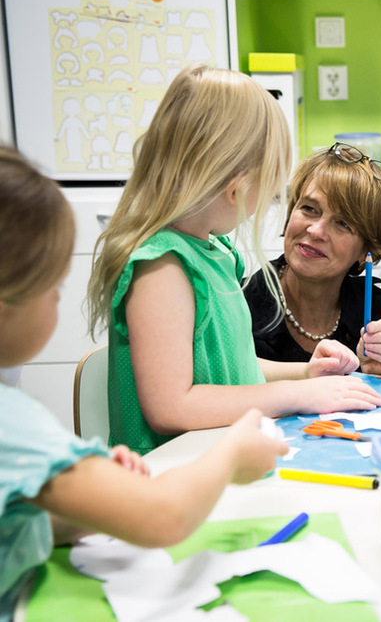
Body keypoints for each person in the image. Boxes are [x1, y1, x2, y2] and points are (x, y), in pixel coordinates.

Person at [0, 146, 288, 620]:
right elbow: (163, 516)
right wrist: (231, 454)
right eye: (53, 288)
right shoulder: (13, 423)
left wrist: (89, 501)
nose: (59, 301)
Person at [86, 65, 381, 456]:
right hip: (170, 482)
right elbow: (172, 407)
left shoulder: (214, 252)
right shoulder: (163, 268)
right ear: (237, 185)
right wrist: (295, 395)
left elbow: (233, 368)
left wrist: (306, 371)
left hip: (217, 462)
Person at [243, 143, 381, 375]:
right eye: (309, 208)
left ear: (366, 250)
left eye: (343, 223)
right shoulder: (242, 301)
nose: (316, 231)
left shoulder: (377, 310)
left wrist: (378, 370)